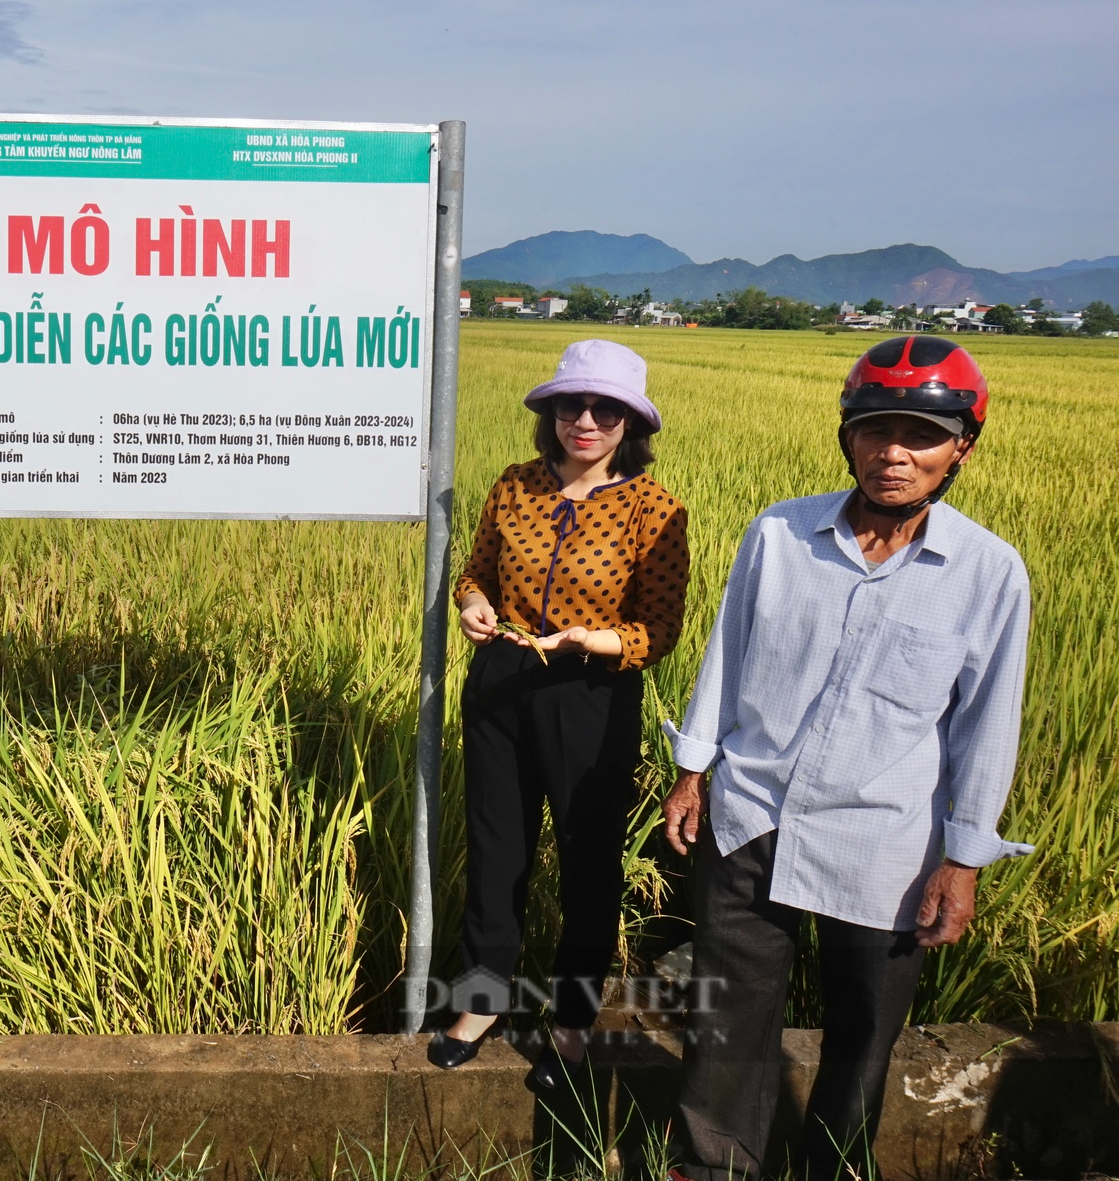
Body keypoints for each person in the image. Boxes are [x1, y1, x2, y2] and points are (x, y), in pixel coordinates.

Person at [661, 336, 1030, 1181]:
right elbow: (730, 652)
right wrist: (693, 771)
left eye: (921, 434)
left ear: (960, 447)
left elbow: (987, 726)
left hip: (885, 841)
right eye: (874, 428)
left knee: (864, 1032)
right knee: (729, 1021)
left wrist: (963, 860)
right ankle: (713, 1169)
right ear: (847, 434)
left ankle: (832, 1169)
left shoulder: (987, 573)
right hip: (753, 811)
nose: (893, 452)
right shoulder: (780, 533)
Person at [431, 339, 691, 1094]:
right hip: (502, 682)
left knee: (587, 863)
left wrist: (591, 641)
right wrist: (475, 604)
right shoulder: (514, 486)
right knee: (496, 850)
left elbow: (659, 629)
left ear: (629, 423)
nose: (585, 419)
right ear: (549, 414)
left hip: (592, 692)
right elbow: (476, 569)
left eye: (605, 408)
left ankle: (572, 1022)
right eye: (570, 404)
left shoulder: (654, 508)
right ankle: (481, 998)